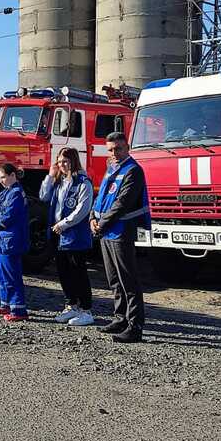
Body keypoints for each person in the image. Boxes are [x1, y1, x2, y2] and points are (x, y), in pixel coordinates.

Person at [91, 131, 150, 344]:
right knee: (114, 279)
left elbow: (122, 203)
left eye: (118, 149)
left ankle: (135, 326)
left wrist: (101, 225)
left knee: (128, 280)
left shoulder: (133, 171)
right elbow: (101, 198)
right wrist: (92, 218)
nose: (114, 153)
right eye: (111, 150)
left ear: (127, 148)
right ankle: (120, 317)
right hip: (107, 231)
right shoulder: (112, 169)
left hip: (121, 231)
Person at [39, 147, 95, 326]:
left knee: (78, 272)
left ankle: (86, 310)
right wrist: (50, 175)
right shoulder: (59, 182)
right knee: (63, 272)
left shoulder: (83, 182)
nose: (62, 165)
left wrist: (64, 224)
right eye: (60, 161)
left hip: (74, 235)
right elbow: (43, 197)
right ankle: (71, 305)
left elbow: (82, 209)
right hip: (59, 235)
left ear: (73, 161)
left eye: (65, 161)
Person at [0, 163, 30, 321]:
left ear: (13, 175)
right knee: (2, 274)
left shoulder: (16, 194)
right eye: (0, 178)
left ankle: (18, 309)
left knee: (12, 275)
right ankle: (6, 303)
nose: (1, 181)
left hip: (11, 241)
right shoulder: (7, 192)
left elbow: (9, 215)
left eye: (3, 177)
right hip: (3, 241)